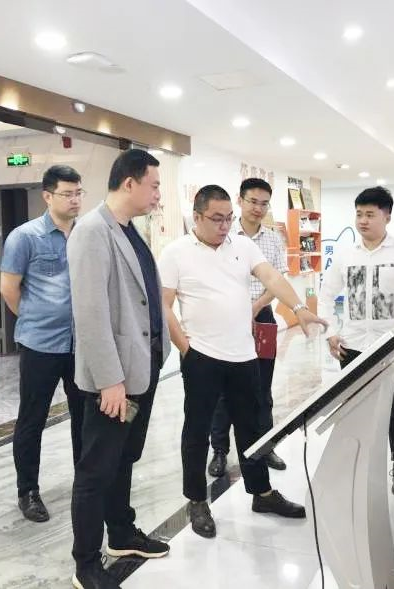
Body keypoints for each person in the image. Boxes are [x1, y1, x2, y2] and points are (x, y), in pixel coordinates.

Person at [159, 184, 327, 539]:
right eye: (216, 219)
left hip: (244, 356)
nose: (224, 226)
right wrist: (185, 348)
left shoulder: (243, 246)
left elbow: (272, 277)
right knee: (197, 431)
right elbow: (163, 305)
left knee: (252, 428)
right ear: (197, 216)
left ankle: (261, 493)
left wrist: (298, 308)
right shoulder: (175, 252)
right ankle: (197, 500)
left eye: (228, 218)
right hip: (202, 357)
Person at [67, 149, 171, 589]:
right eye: (154, 185)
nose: (158, 194)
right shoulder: (92, 231)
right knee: (95, 471)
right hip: (114, 380)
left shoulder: (129, 229)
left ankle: (122, 533)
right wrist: (110, 380)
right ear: (129, 182)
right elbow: (90, 314)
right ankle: (86, 563)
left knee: (123, 459)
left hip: (140, 368)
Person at [318, 186, 394, 497]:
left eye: (370, 214)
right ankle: (354, 464)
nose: (363, 220)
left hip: (393, 346)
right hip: (352, 345)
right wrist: (331, 331)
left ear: (387, 216)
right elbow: (326, 295)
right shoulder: (346, 255)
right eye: (359, 214)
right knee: (353, 408)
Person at [0, 165, 86, 522]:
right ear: (47, 196)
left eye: (79, 193)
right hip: (40, 344)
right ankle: (28, 491)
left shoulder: (87, 234)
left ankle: (86, 482)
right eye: (68, 194)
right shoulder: (25, 237)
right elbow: (9, 289)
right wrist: (36, 318)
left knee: (84, 417)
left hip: (82, 344)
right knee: (32, 419)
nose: (75, 200)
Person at [208, 178, 288, 478]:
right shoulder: (223, 235)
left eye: (264, 203)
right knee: (223, 391)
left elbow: (278, 279)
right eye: (253, 201)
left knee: (262, 387)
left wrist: (255, 307)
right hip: (226, 319)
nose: (258, 208)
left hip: (262, 315)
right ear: (240, 200)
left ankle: (265, 446)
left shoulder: (273, 239)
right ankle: (219, 450)